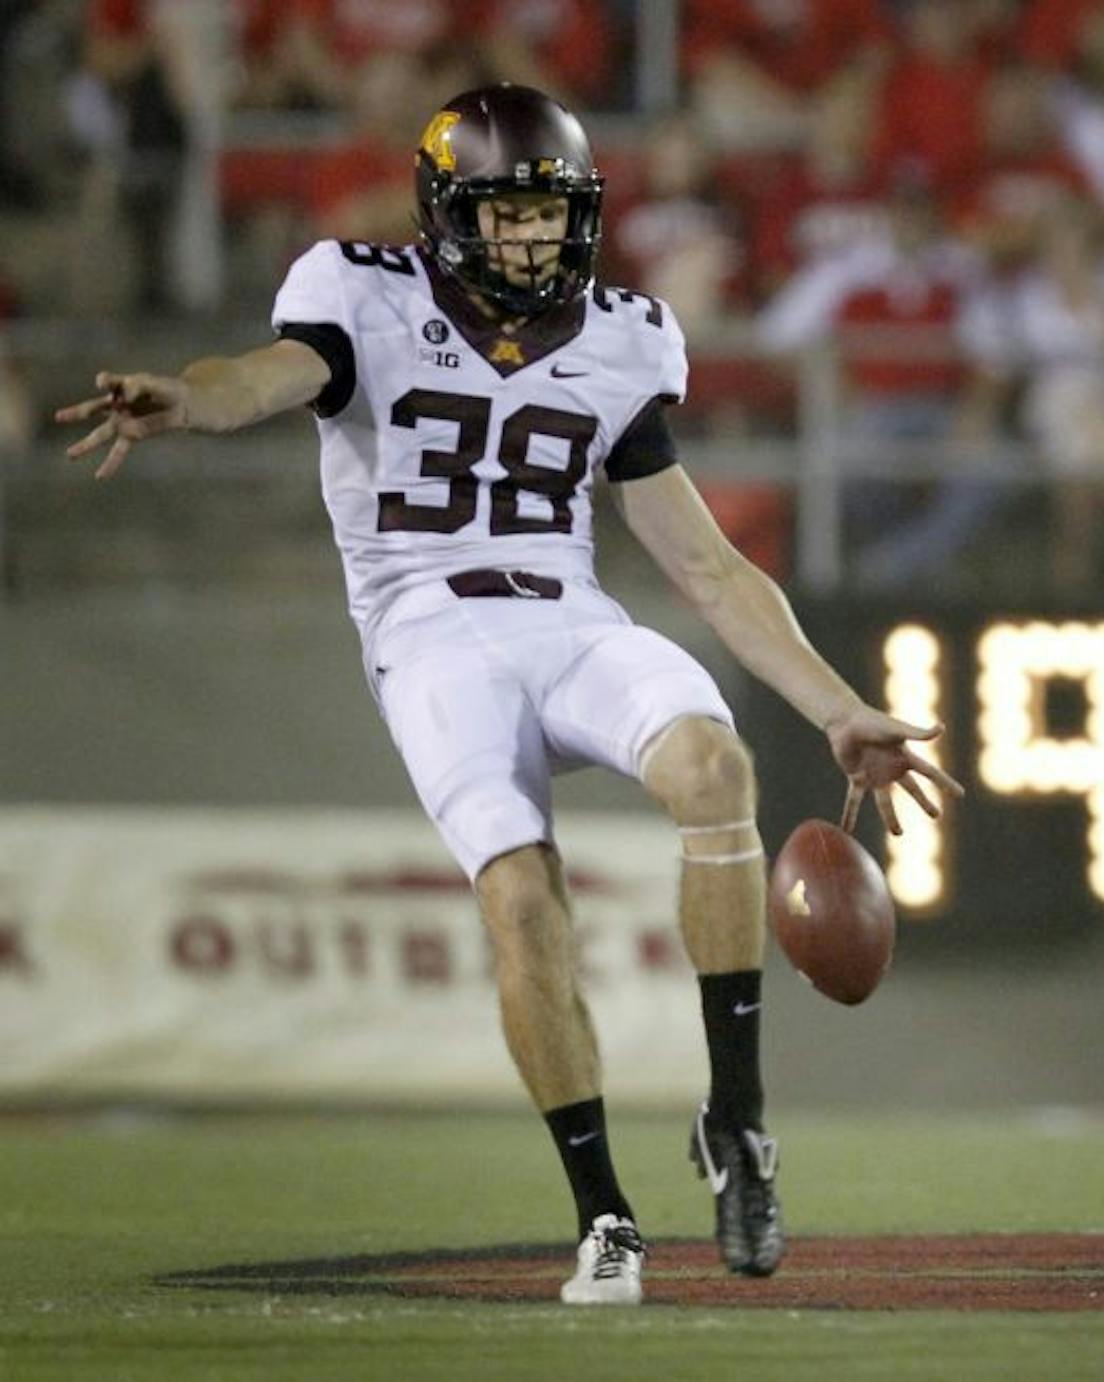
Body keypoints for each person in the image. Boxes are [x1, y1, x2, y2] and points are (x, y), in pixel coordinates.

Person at [54, 84, 961, 1307]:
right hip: (430, 636)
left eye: (552, 214)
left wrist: (840, 707)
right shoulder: (357, 290)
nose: (535, 240)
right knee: (523, 897)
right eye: (510, 215)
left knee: (716, 764)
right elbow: (260, 378)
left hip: (567, 614)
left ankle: (738, 1120)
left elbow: (704, 563)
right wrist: (191, 400)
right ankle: (605, 1219)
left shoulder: (623, 334)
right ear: (446, 216)